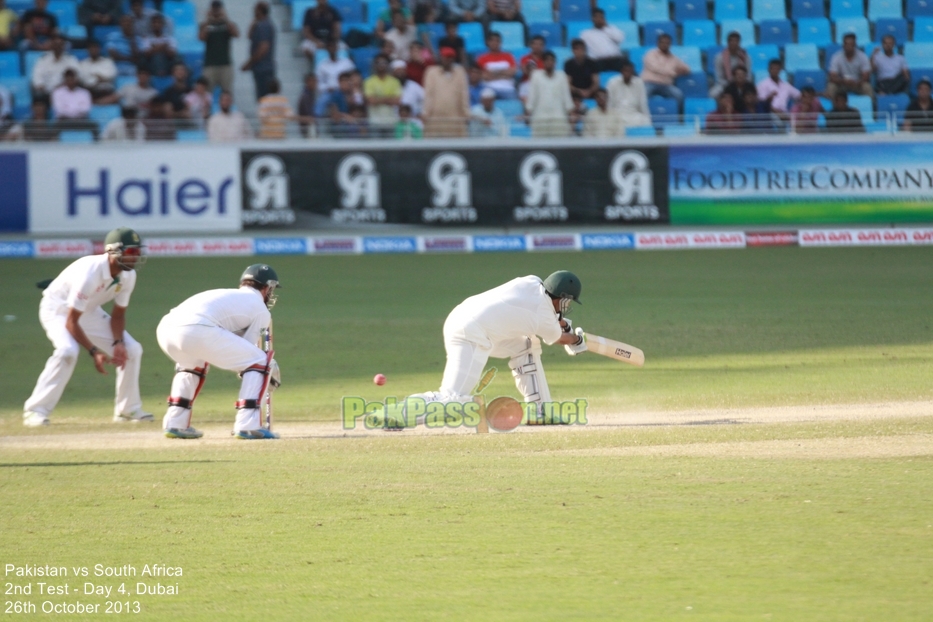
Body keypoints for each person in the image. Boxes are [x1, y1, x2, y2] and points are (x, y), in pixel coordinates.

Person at [383, 271, 587, 429]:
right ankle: (393, 414)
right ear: (560, 298)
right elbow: (559, 338)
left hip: (466, 319)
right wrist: (577, 339)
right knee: (454, 399)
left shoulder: (533, 282)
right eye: (566, 301)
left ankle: (540, 412)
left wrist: (561, 323)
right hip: (470, 333)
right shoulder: (541, 314)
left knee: (526, 344)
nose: (566, 305)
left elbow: (548, 318)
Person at [22, 228, 150, 428]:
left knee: (132, 350)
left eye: (137, 252)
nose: (136, 257)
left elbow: (118, 315)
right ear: (113, 251)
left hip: (87, 311)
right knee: (67, 351)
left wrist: (117, 343)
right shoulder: (91, 272)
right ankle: (35, 410)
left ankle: (127, 410)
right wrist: (94, 351)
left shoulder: (128, 275)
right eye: (131, 252)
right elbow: (71, 321)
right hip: (58, 309)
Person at [156, 264, 282, 440]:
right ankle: (248, 426)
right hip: (196, 328)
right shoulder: (260, 308)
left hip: (165, 329)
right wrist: (267, 372)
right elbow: (248, 356)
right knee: (261, 361)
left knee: (192, 366)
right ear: (266, 287)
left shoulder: (230, 296)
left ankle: (175, 423)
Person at [423, 46, 469, 136]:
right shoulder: (431, 72)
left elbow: (464, 94)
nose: (448, 60)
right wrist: (425, 113)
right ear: (441, 58)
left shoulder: (460, 72)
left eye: (450, 57)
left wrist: (465, 114)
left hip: (455, 117)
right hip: (435, 117)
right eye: (446, 57)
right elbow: (428, 94)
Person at [526, 50, 572, 137]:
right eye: (547, 60)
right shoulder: (536, 75)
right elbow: (532, 95)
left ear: (555, 63)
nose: (549, 62)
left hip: (558, 117)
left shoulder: (561, 76)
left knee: (559, 144)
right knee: (540, 146)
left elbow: (566, 96)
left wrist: (570, 112)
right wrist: (529, 111)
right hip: (540, 117)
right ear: (543, 62)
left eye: (552, 60)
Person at [200, 0, 239, 94]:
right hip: (210, 64)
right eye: (214, 8)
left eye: (218, 8)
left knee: (227, 93)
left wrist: (226, 19)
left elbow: (236, 34)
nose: (216, 10)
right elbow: (202, 37)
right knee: (207, 93)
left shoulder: (228, 24)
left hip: (225, 64)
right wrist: (208, 20)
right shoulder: (205, 25)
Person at [642, 33, 690, 105]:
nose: (664, 45)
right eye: (662, 42)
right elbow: (656, 68)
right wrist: (673, 73)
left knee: (678, 95)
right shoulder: (651, 54)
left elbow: (687, 68)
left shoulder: (674, 58)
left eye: (667, 43)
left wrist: (683, 70)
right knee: (643, 95)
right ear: (658, 43)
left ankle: (679, 116)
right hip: (649, 83)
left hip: (666, 85)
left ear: (670, 44)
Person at [241, 1, 276, 101]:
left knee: (264, 98)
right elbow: (249, 35)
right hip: (262, 68)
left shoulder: (263, 26)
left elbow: (263, 48)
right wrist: (254, 21)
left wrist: (249, 63)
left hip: (263, 68)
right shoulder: (262, 24)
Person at [364, 53, 401, 136]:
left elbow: (397, 101)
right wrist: (388, 99)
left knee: (390, 148)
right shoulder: (369, 81)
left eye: (383, 62)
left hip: (390, 121)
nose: (381, 65)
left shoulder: (394, 81)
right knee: (375, 147)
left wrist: (378, 99)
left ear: (388, 64)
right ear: (375, 65)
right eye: (378, 63)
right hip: (375, 121)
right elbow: (371, 100)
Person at [31, 33, 79, 99]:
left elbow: (75, 76)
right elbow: (37, 76)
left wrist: (61, 88)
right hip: (46, 93)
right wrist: (41, 87)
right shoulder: (43, 59)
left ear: (63, 45)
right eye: (55, 44)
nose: (57, 47)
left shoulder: (71, 60)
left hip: (65, 93)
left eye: (60, 45)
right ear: (52, 45)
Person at [605, 59, 651, 128]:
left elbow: (643, 103)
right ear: (621, 72)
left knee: (645, 120)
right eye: (625, 71)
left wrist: (647, 117)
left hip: (634, 115)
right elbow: (609, 103)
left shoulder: (639, 83)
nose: (627, 74)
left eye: (630, 71)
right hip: (617, 114)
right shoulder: (612, 82)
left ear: (633, 72)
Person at [826, 33, 873, 99]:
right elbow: (832, 76)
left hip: (857, 84)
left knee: (867, 87)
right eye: (846, 44)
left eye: (851, 44)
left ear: (855, 45)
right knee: (831, 87)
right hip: (842, 83)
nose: (848, 46)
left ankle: (870, 107)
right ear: (843, 45)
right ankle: (833, 107)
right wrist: (843, 81)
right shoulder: (836, 57)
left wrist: (857, 82)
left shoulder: (862, 56)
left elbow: (866, 76)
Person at [580, 8, 624, 72]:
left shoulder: (612, 29)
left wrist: (606, 28)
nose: (599, 19)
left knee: (628, 68)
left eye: (601, 17)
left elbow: (620, 39)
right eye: (596, 17)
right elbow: (582, 48)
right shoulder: (586, 34)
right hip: (598, 61)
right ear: (592, 18)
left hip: (615, 59)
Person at [475, 31, 517, 99]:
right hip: (489, 88)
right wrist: (503, 73)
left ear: (500, 43)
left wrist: (493, 73)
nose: (495, 43)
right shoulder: (481, 58)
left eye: (497, 41)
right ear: (488, 42)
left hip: (507, 89)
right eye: (492, 41)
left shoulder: (508, 56)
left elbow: (512, 72)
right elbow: (485, 76)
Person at [711, 31, 750, 98]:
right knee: (713, 94)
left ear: (739, 43)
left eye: (736, 41)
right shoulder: (720, 58)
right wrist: (731, 84)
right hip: (725, 84)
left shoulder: (746, 57)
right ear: (728, 43)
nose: (734, 43)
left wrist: (740, 83)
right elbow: (719, 78)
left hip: (742, 84)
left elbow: (748, 75)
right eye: (732, 41)